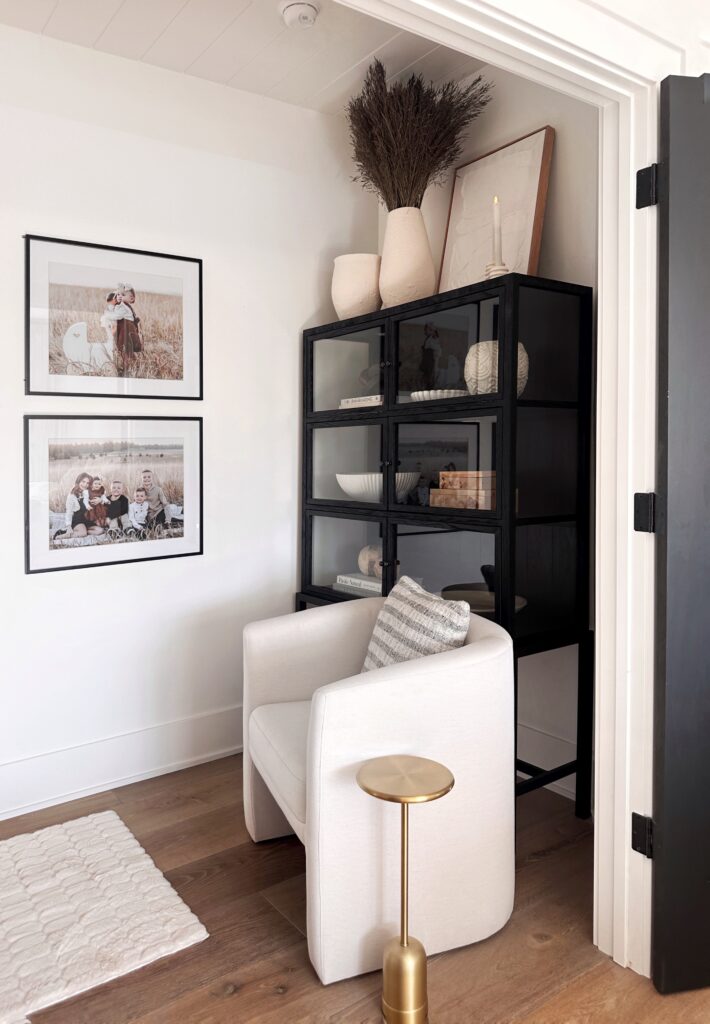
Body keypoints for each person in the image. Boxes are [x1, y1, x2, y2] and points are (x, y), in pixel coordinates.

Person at [58, 471, 104, 540]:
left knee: (100, 531)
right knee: (83, 533)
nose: (85, 485)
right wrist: (69, 526)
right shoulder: (72, 495)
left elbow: (102, 497)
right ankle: (63, 535)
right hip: (78, 520)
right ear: (78, 481)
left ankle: (82, 531)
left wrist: (100, 500)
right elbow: (69, 512)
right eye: (83, 482)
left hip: (87, 520)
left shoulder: (88, 493)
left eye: (87, 483)